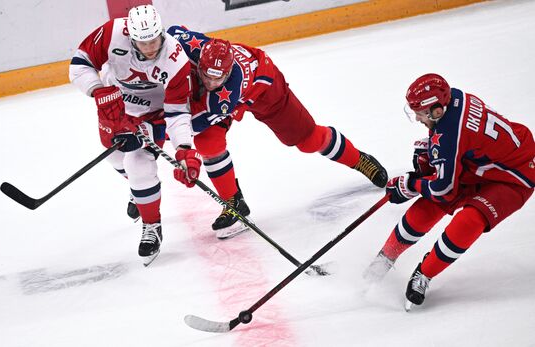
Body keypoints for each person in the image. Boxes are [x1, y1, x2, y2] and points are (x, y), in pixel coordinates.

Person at [166, 25, 389, 239]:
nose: (211, 82)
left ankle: (359, 159)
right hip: (224, 94)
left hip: (264, 88)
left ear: (228, 73)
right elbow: (171, 34)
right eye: (207, 75)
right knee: (208, 143)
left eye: (218, 78)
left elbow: (189, 124)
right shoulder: (187, 45)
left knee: (308, 140)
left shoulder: (228, 92)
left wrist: (153, 130)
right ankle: (234, 203)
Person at [363, 73, 534, 310]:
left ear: (436, 111)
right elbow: (460, 139)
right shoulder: (455, 98)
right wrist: (432, 149)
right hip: (483, 164)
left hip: (516, 176)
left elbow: (443, 189)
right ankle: (385, 258)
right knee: (431, 203)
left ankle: (425, 273)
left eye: (420, 113)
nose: (417, 117)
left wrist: (411, 184)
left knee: (469, 219)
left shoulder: (450, 133)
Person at [69, 5, 202, 265]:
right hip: (115, 104)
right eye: (143, 42)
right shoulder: (112, 33)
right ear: (131, 37)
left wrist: (184, 147)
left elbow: (176, 112)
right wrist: (97, 91)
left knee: (138, 163)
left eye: (154, 40)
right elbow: (79, 64)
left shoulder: (175, 59)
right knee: (113, 156)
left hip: (153, 113)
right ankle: (140, 190)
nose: (151, 47)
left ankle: (152, 226)